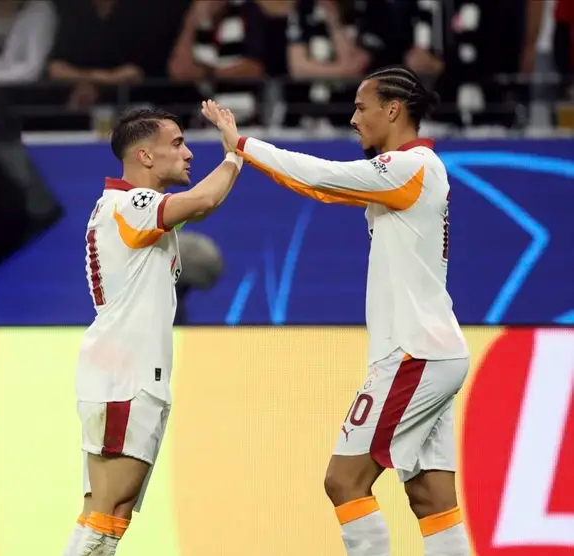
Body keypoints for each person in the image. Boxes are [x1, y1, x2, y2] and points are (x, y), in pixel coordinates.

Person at [202, 65, 471, 556]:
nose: (353, 119)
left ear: (393, 110)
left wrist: (242, 145)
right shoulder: (416, 171)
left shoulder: (411, 167)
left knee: (344, 480)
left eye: (361, 108)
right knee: (431, 499)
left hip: (414, 353)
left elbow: (323, 177)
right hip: (433, 350)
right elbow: (325, 188)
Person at [62, 106, 243, 556]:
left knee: (109, 514)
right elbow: (203, 201)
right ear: (144, 155)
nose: (188, 154)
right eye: (177, 143)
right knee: (106, 515)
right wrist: (235, 152)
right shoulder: (130, 205)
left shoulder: (128, 209)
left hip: (130, 376)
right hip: (126, 378)